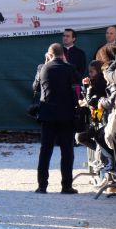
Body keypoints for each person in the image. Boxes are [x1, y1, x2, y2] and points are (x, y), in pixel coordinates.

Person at [33, 43, 81, 194]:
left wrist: (46, 64)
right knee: (67, 151)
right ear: (63, 55)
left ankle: (42, 186)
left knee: (45, 151)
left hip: (47, 115)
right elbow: (78, 83)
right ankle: (66, 186)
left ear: (49, 54)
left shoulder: (43, 68)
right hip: (66, 115)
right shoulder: (70, 68)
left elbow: (35, 87)